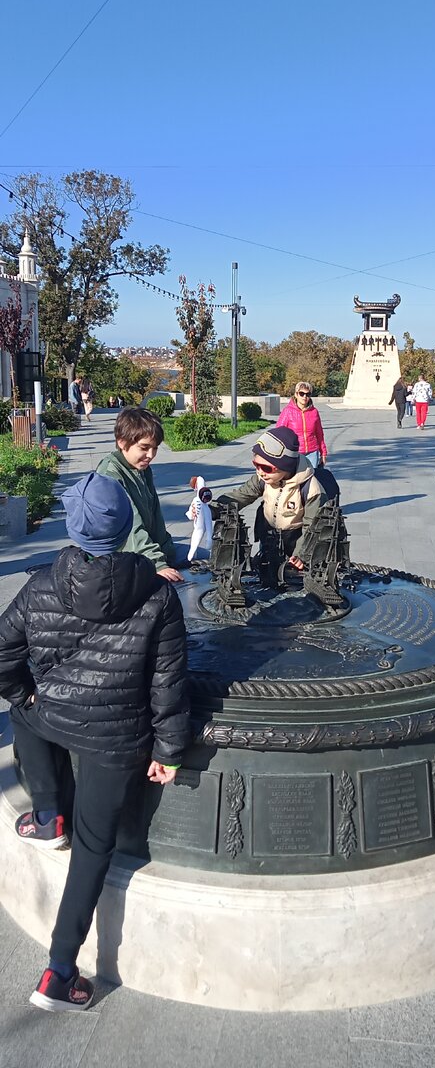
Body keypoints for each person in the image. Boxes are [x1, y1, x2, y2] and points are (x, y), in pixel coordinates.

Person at [0, 472, 190, 1012]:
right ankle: (59, 971)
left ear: (73, 527)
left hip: (54, 714)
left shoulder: (41, 584)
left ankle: (46, 815)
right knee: (92, 849)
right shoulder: (158, 594)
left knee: (22, 712)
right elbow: (168, 683)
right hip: (117, 738)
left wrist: (26, 693)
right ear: (126, 527)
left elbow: (2, 655)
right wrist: (169, 752)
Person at [216, 426, 326, 570]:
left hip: (296, 539)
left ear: (286, 466)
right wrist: (212, 508)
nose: (260, 472)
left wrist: (301, 555)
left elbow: (312, 526)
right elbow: (241, 496)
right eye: (256, 465)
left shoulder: (311, 489)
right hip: (269, 535)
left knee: (292, 575)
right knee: (267, 570)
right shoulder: (263, 479)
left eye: (266, 468)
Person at [97, 407, 184, 583]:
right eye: (144, 448)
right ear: (122, 442)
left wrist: (167, 551)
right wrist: (159, 564)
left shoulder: (142, 469)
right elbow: (132, 527)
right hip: (125, 559)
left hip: (148, 550)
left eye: (155, 448)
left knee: (205, 558)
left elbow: (155, 515)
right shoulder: (110, 475)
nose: (150, 455)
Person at [276, 381, 327, 469]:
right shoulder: (288, 411)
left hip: (312, 453)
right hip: (295, 452)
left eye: (308, 394)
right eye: (301, 393)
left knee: (312, 476)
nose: (305, 397)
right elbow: (279, 433)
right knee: (296, 477)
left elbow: (319, 434)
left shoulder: (314, 412)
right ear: (296, 394)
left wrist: (323, 453)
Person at [186, 475, 213, 563]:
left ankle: (192, 554)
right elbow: (191, 513)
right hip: (198, 524)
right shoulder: (199, 502)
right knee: (202, 532)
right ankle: (192, 554)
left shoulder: (199, 502)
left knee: (200, 532)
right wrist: (191, 513)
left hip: (199, 525)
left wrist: (190, 514)